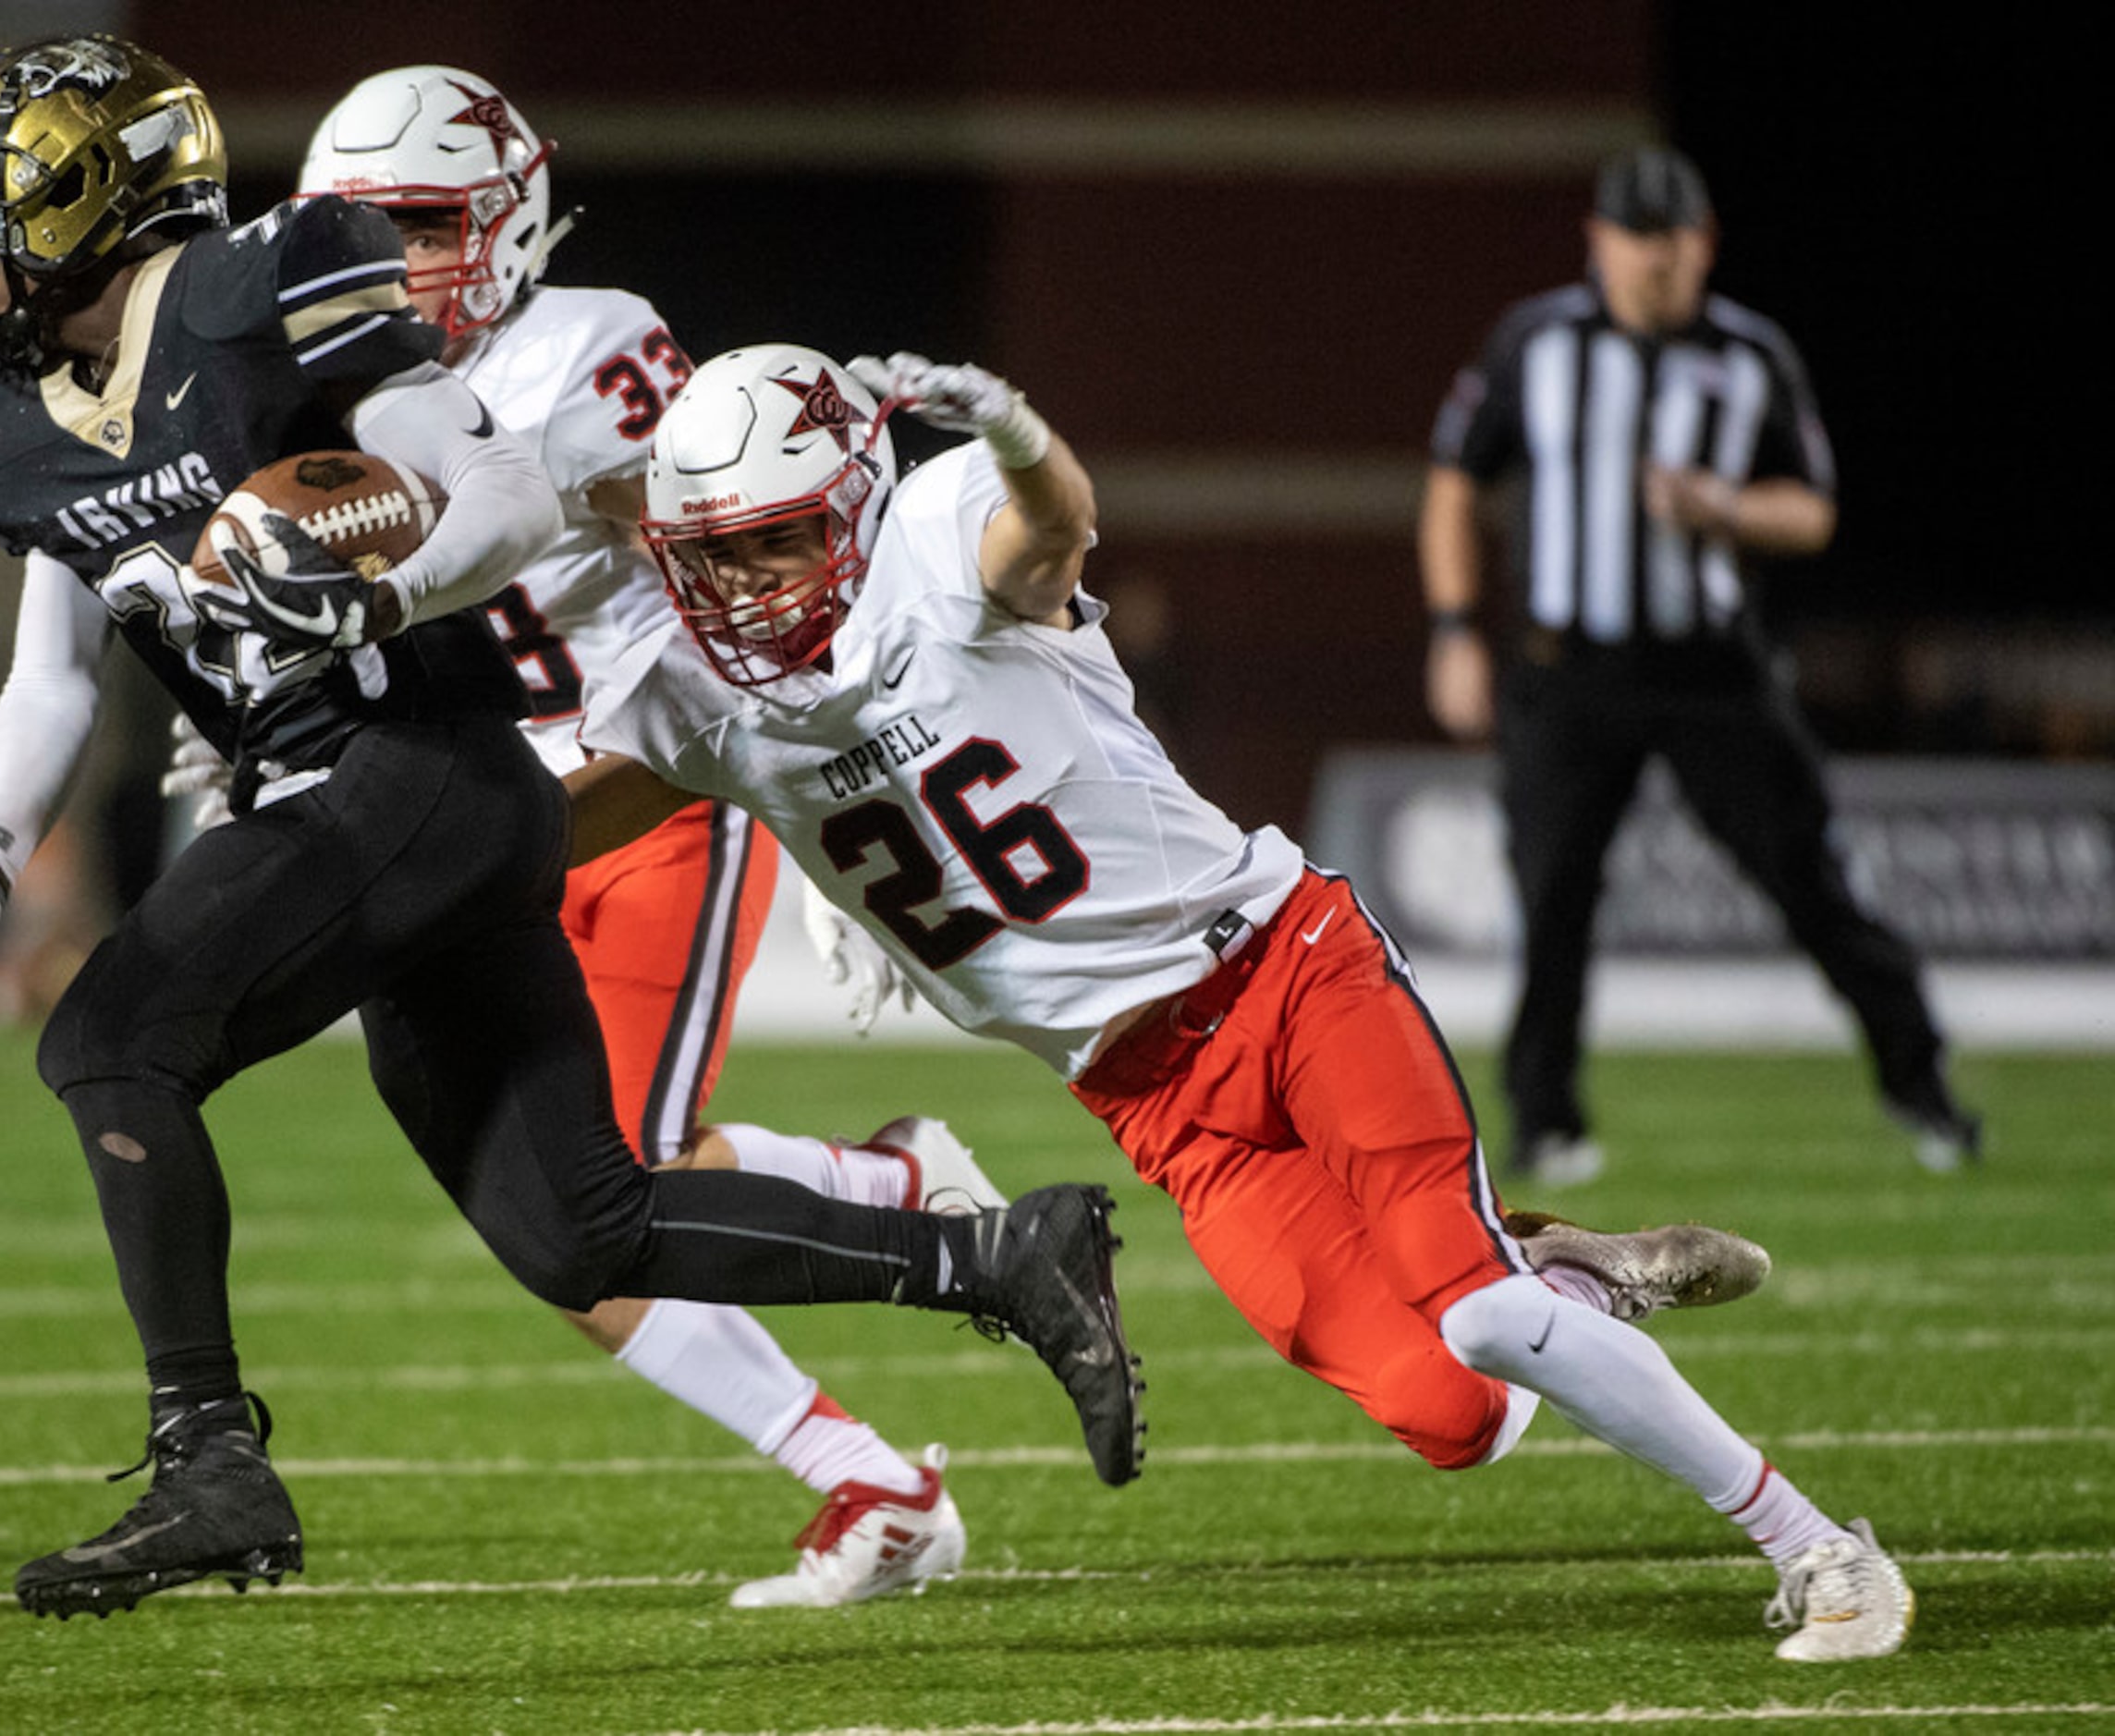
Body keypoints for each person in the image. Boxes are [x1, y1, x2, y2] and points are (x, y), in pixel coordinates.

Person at [0, 33, 1140, 1621]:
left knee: (111, 1040)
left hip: (419, 760)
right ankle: (1000, 1258)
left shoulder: (259, 283)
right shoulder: (1, 427)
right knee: (578, 1228)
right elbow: (55, 665)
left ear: (87, 195)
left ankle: (210, 1460)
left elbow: (508, 493)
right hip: (381, 800)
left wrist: (373, 592)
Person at [536, 340, 1911, 1662]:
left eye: (770, 540)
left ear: (851, 503)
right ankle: (1562, 1268)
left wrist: (1011, 431)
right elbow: (540, 832)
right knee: (1461, 1412)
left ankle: (1815, 1545)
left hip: (1281, 967)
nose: (739, 585)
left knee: (1477, 1314)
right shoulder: (696, 697)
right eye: (708, 553)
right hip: (1152, 1102)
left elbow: (1054, 524)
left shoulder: (950, 528)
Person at [265, 64, 996, 1608]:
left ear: (509, 214)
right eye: (362, 229)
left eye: (421, 222)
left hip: (638, 782)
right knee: (536, 1212)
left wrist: (825, 812)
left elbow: (745, 534)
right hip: (473, 814)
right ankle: (873, 1412)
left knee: (615, 1181)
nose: (397, 262)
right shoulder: (322, 379)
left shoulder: (587, 341)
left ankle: (881, 1352)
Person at [1419, 145, 1980, 1184]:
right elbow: (1454, 482)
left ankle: (1922, 1085)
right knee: (1550, 899)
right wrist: (1453, 626)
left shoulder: (1748, 355)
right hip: (1566, 671)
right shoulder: (1532, 342)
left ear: (1703, 245)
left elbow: (1811, 510)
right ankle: (1544, 1118)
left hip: (1710, 674)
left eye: (1672, 243)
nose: (1653, 264)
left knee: (1810, 882)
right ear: (1597, 240)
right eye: (1635, 240)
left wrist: (1719, 507)